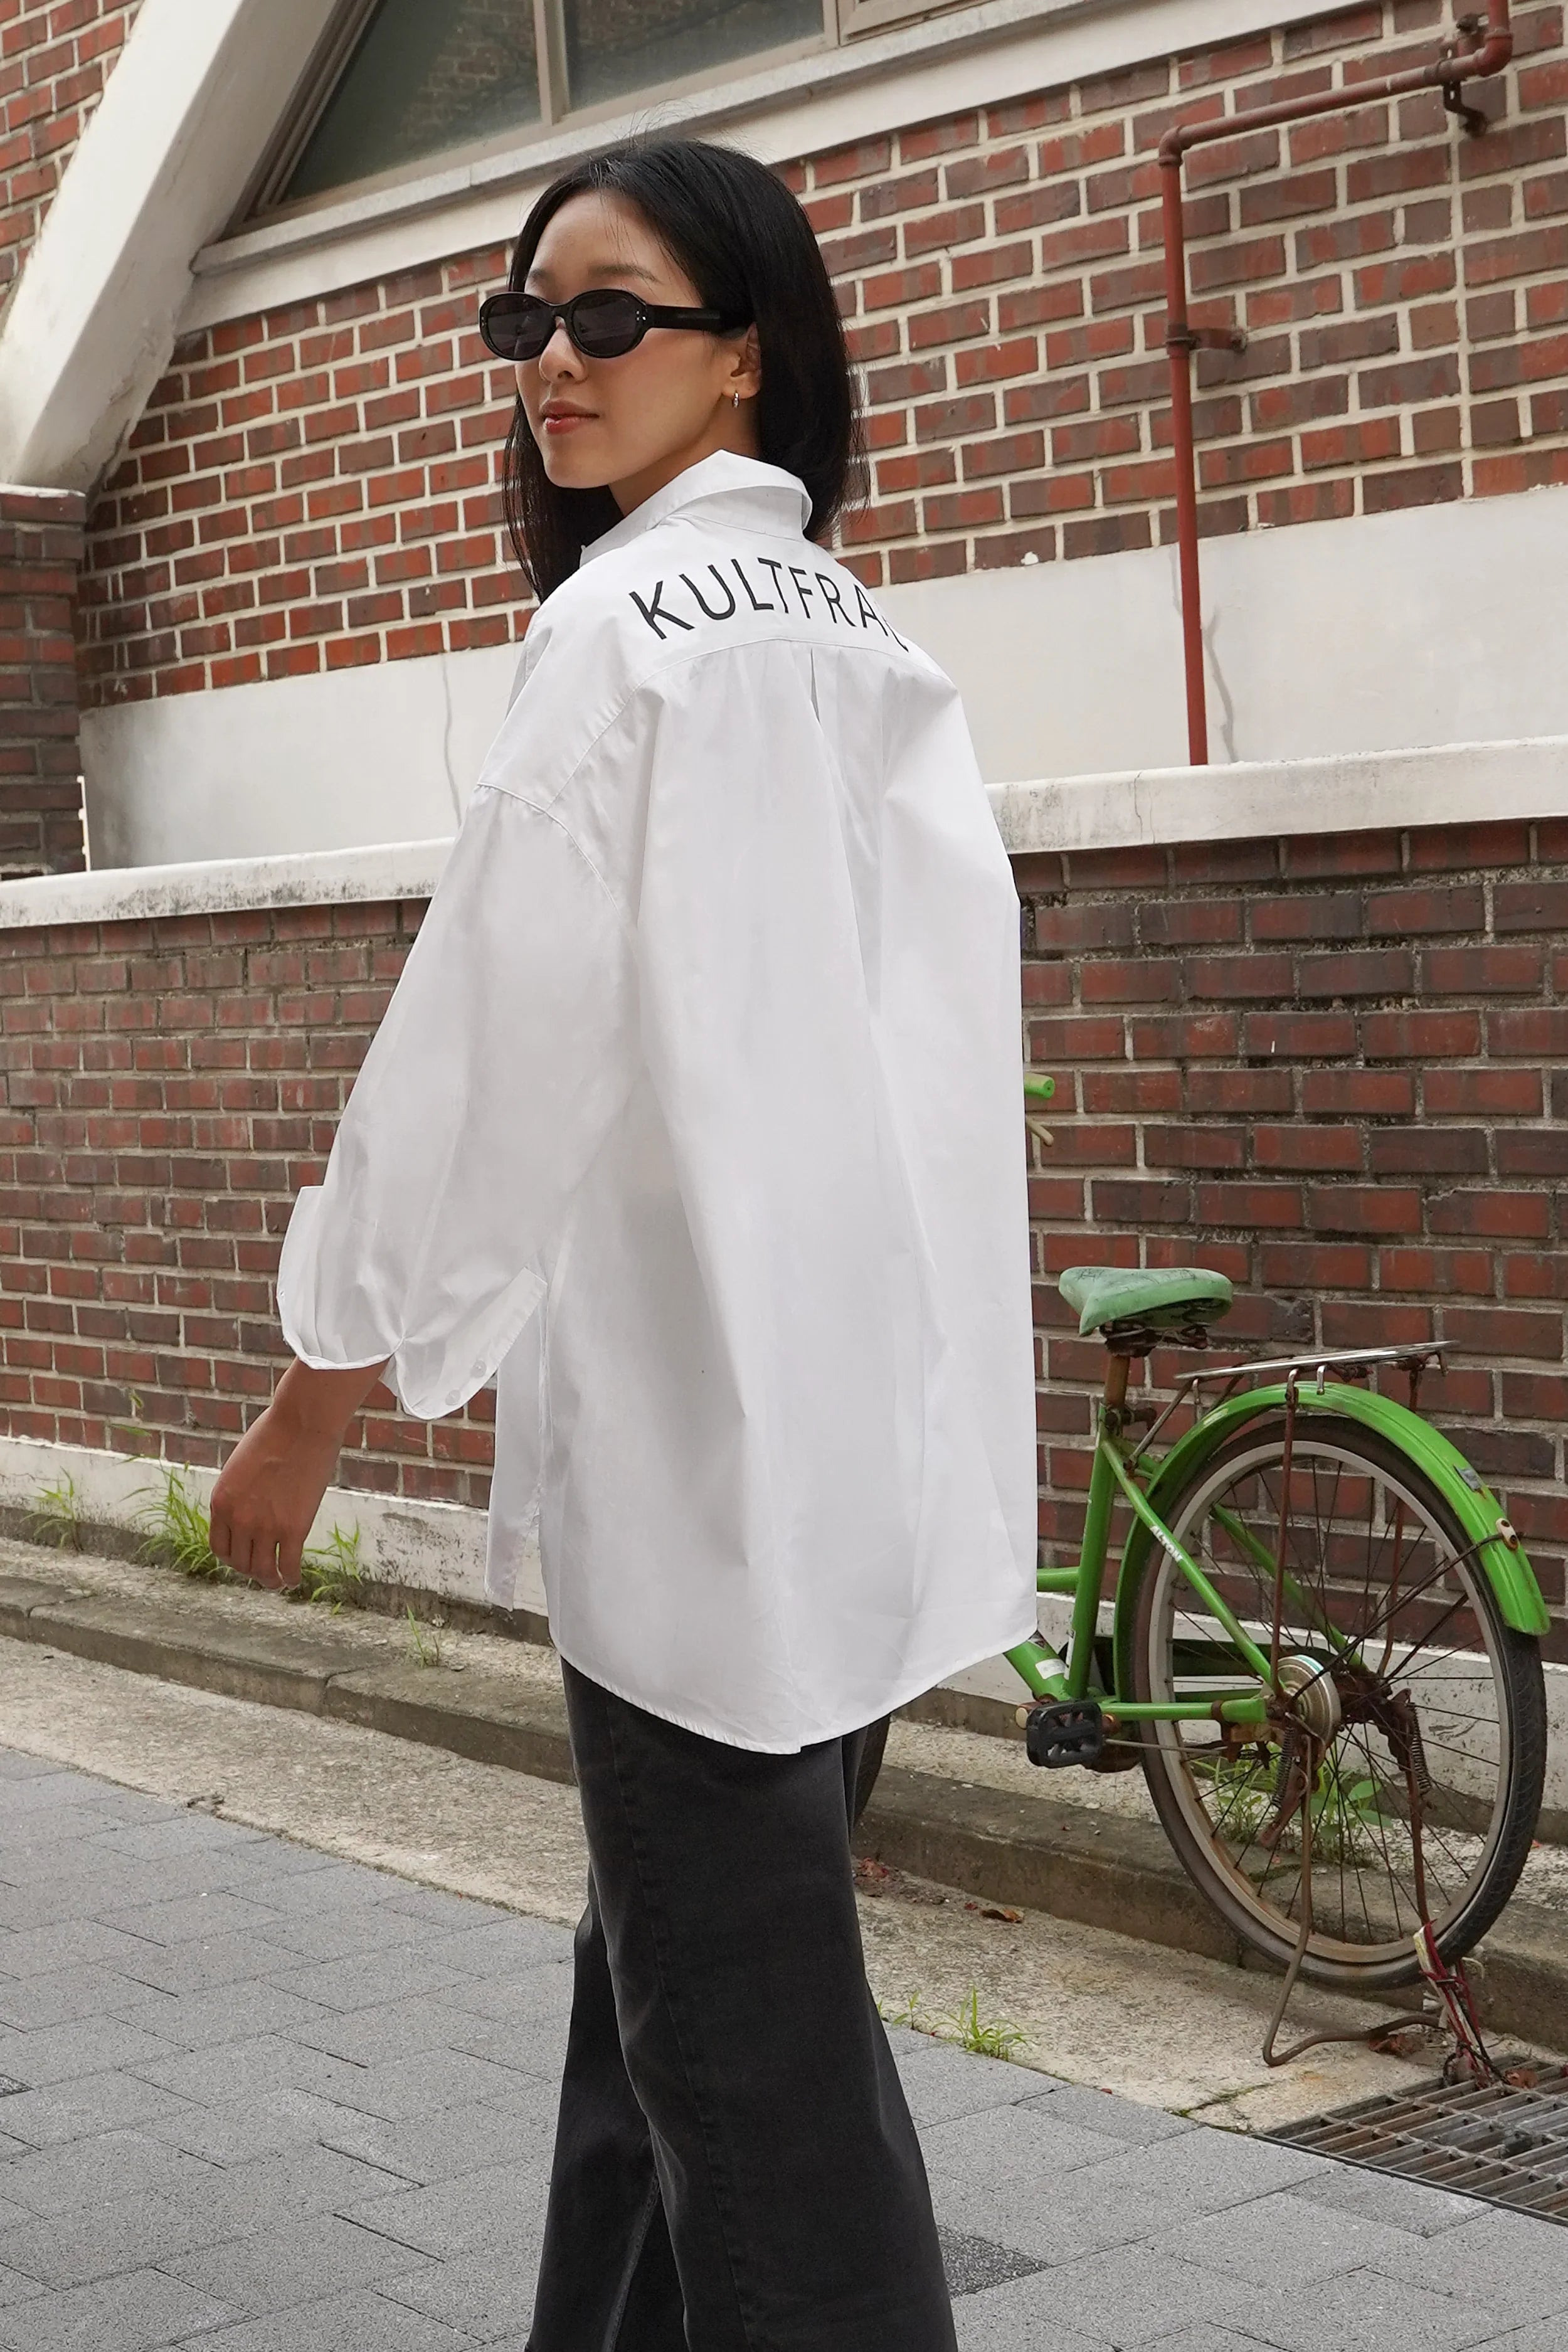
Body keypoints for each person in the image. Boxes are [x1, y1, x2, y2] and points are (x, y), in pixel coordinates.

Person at [211, 134, 1036, 2352]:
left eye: (608, 317)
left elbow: (488, 1051)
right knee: (658, 2005)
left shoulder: (621, 637)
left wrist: (315, 1400)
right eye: (523, 322)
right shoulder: (873, 648)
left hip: (698, 1472)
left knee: (753, 2089)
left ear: (743, 352)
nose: (549, 366)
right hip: (858, 1453)